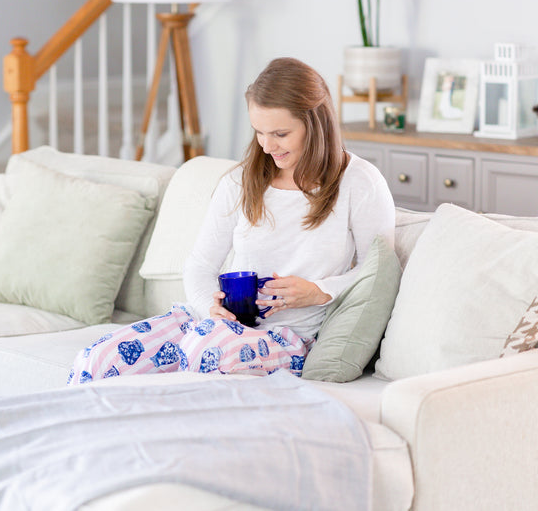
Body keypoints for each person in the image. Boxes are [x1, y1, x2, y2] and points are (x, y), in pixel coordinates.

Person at [67, 57, 394, 385]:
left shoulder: (359, 182)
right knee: (96, 361)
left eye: (280, 133)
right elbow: (200, 266)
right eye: (259, 132)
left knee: (205, 351)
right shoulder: (240, 181)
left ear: (317, 124)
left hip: (288, 338)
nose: (267, 146)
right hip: (211, 327)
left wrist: (319, 291)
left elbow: (378, 272)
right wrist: (211, 310)